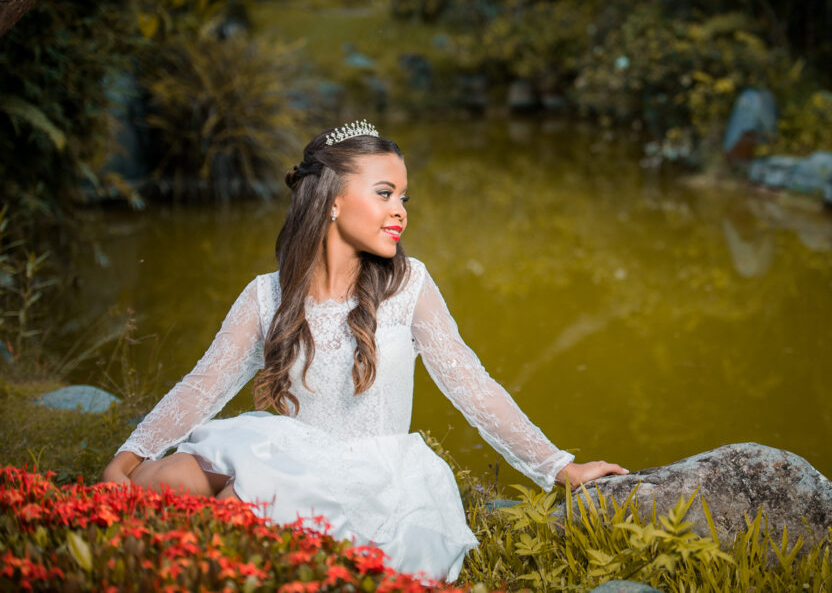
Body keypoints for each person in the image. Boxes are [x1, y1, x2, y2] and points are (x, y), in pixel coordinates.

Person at [102, 123, 628, 582]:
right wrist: (123, 462)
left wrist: (559, 468)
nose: (399, 212)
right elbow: (202, 386)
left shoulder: (408, 286)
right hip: (283, 449)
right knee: (159, 481)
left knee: (226, 518)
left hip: (368, 473)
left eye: (403, 198)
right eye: (384, 193)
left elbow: (472, 383)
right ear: (332, 200)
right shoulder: (266, 294)